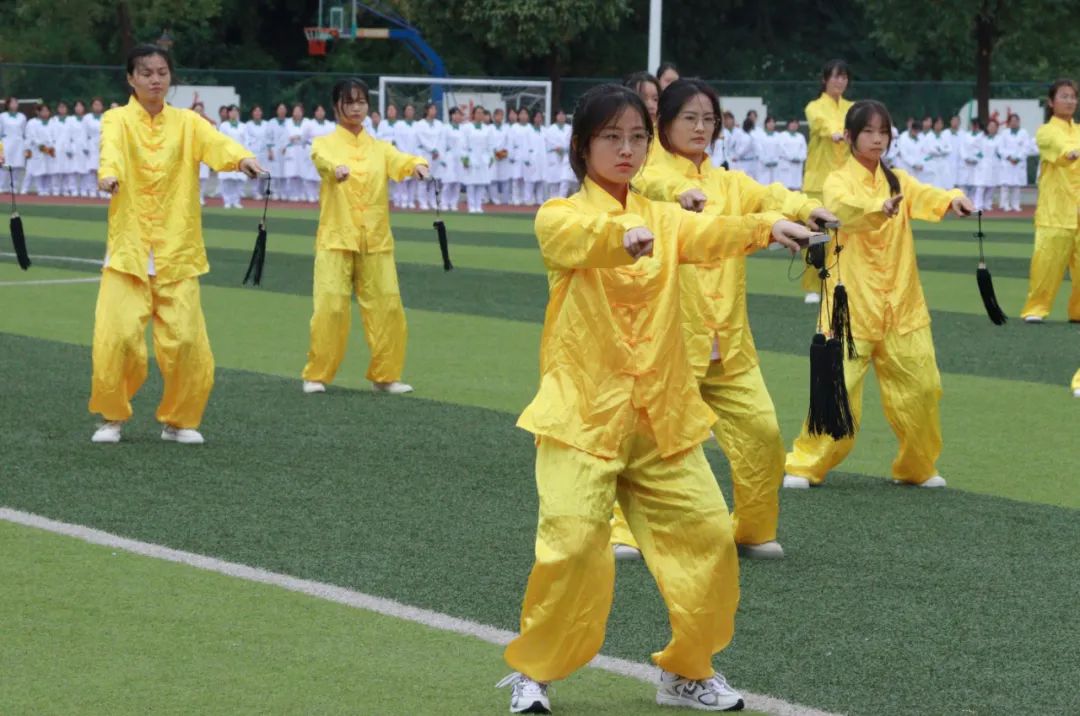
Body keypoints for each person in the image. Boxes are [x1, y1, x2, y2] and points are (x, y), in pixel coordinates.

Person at [496, 82, 810, 716]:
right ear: (583, 147)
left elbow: (712, 233)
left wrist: (769, 225)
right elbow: (581, 242)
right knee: (574, 544)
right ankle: (535, 674)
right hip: (584, 415)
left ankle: (687, 672)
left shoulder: (665, 218)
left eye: (638, 137)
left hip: (661, 416)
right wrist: (622, 241)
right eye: (611, 137)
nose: (627, 148)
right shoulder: (559, 215)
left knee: (710, 540)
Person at [613, 78, 838, 561]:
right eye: (689, 118)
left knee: (763, 435)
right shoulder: (645, 179)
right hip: (669, 339)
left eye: (709, 119)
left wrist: (808, 208)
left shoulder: (729, 183)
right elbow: (652, 181)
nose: (700, 128)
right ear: (663, 124)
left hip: (729, 341)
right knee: (648, 437)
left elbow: (769, 194)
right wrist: (680, 193)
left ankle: (753, 531)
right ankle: (622, 529)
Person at [782, 100, 975, 490]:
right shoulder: (837, 180)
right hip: (850, 306)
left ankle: (916, 467)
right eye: (868, 132)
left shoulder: (898, 180)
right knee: (837, 387)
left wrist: (952, 199)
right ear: (850, 137)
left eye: (883, 132)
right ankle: (805, 465)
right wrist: (878, 207)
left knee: (923, 387)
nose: (876, 139)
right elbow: (843, 211)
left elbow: (925, 195)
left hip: (903, 306)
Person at [89, 44, 264, 445]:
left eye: (162, 72)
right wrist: (109, 175)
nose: (155, 79)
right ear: (130, 78)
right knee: (116, 339)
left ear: (171, 78)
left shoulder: (189, 123)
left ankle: (179, 421)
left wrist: (242, 160)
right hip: (129, 250)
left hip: (178, 248)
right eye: (146, 72)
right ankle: (112, 417)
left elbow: (218, 145)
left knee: (187, 342)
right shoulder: (116, 119)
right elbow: (111, 151)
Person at [301, 78, 428, 397]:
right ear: (336, 106)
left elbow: (401, 160)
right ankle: (317, 374)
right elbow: (322, 162)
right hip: (336, 237)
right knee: (329, 307)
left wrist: (418, 166)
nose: (356, 108)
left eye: (361, 102)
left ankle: (386, 376)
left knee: (388, 306)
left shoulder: (380, 148)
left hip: (375, 239)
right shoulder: (324, 143)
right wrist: (336, 169)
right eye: (349, 101)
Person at [1020, 79, 1080, 323]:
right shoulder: (1046, 131)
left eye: (1073, 97)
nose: (1070, 101)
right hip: (1055, 212)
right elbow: (1062, 149)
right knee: (1047, 264)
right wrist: (1071, 152)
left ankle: (1077, 312)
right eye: (1064, 96)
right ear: (1051, 102)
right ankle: (1036, 309)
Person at [802, 59, 854, 303]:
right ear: (825, 80)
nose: (840, 81)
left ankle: (837, 282)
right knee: (815, 233)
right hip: (818, 181)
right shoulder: (814, 106)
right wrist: (835, 132)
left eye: (844, 77)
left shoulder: (852, 107)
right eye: (835, 76)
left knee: (842, 234)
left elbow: (859, 125)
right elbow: (821, 124)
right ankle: (812, 287)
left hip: (844, 182)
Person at [463, 105, 494, 213]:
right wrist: (465, 159)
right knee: (471, 183)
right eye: (478, 112)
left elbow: (490, 144)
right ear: (473, 114)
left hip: (483, 158)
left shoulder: (487, 129)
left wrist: (491, 157)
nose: (480, 115)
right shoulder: (467, 127)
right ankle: (471, 206)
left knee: (481, 183)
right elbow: (464, 144)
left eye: (482, 113)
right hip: (471, 157)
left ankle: (478, 205)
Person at [414, 102, 445, 210]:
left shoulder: (440, 124)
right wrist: (432, 149)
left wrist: (437, 151)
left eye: (435, 109)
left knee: (434, 180)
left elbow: (441, 139)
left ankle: (433, 201)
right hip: (425, 154)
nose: (434, 111)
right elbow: (422, 139)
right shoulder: (420, 124)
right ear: (427, 110)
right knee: (423, 179)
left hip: (436, 156)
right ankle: (423, 202)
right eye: (432, 109)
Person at [302, 104, 335, 202]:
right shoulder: (309, 124)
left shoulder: (330, 125)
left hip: (325, 152)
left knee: (321, 173)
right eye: (318, 111)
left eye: (322, 111)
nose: (320, 113)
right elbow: (304, 137)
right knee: (309, 172)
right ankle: (309, 194)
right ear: (315, 113)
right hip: (312, 150)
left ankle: (319, 194)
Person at [997, 113, 1030, 212]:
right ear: (1009, 122)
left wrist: (1018, 158)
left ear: (1019, 122)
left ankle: (1015, 204)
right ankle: (1005, 204)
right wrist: (1009, 157)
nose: (1014, 123)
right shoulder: (1004, 133)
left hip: (1018, 162)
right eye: (1012, 121)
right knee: (1006, 185)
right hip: (1007, 162)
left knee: (1016, 185)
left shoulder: (1024, 133)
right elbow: (1000, 148)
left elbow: (1026, 147)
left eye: (1016, 121)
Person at [218, 105, 247, 209]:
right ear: (228, 113)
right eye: (232, 111)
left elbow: (247, 141)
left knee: (238, 179)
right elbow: (221, 140)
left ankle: (236, 201)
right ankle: (227, 201)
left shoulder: (243, 126)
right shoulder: (224, 126)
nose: (234, 113)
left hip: (240, 156)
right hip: (228, 155)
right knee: (227, 179)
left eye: (236, 111)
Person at [21, 103, 53, 196]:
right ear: (37, 112)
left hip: (48, 150)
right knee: (32, 170)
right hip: (35, 149)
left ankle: (45, 189)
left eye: (47, 111)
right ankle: (28, 189)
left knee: (47, 170)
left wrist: (50, 147)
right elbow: (32, 136)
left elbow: (52, 136)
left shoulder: (51, 122)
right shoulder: (32, 122)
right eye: (43, 111)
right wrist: (41, 146)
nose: (45, 113)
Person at [243, 104, 274, 199]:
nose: (257, 113)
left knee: (264, 172)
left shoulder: (266, 124)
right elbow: (246, 139)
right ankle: (255, 192)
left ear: (261, 113)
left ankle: (262, 190)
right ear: (252, 113)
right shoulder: (248, 125)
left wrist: (270, 151)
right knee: (254, 172)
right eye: (255, 111)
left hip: (264, 152)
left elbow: (269, 138)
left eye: (259, 111)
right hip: (253, 152)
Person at [282, 103, 308, 202]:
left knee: (302, 173)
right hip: (291, 149)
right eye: (295, 111)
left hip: (302, 149)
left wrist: (299, 137)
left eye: (299, 111)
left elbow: (308, 136)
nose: (297, 113)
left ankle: (302, 193)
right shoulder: (288, 123)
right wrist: (285, 145)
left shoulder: (307, 123)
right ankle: (292, 194)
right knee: (292, 174)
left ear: (302, 112)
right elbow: (285, 136)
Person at [543, 109, 571, 200]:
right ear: (556, 116)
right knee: (554, 185)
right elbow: (549, 143)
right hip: (554, 157)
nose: (561, 116)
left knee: (564, 184)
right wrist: (557, 148)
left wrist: (565, 149)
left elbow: (572, 142)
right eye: (559, 114)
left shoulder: (569, 128)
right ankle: (552, 204)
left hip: (566, 157)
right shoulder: (550, 129)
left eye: (563, 114)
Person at [1, 97, 27, 195]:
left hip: (19, 143)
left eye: (16, 102)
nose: (14, 104)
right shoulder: (2, 116)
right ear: (7, 104)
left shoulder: (22, 117)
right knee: (5, 166)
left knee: (17, 166)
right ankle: (2, 186)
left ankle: (14, 187)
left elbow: (24, 131)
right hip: (6, 142)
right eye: (12, 103)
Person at [489, 107, 512, 205]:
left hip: (504, 156)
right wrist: (495, 152)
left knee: (505, 179)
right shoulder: (489, 128)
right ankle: (494, 199)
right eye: (497, 115)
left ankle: (505, 199)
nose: (499, 117)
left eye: (501, 115)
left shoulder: (506, 128)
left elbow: (509, 141)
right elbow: (488, 142)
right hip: (493, 156)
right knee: (493, 179)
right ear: (494, 117)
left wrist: (504, 152)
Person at [83, 98, 106, 198]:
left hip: (103, 144)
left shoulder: (106, 116)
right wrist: (85, 146)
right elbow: (83, 133)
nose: (97, 106)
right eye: (95, 104)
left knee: (102, 170)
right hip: (91, 145)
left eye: (99, 105)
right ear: (92, 106)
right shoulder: (87, 118)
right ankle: (92, 189)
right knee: (92, 170)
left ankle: (102, 190)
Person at [779, 117, 807, 190]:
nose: (794, 125)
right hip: (786, 164)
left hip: (797, 165)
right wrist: (791, 157)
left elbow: (804, 149)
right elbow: (782, 149)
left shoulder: (801, 136)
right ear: (788, 124)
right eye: (792, 123)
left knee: (796, 187)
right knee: (786, 186)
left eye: (796, 123)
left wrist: (800, 158)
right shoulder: (783, 135)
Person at [268, 102, 289, 198]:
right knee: (274, 173)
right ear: (277, 111)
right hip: (274, 150)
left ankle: (284, 192)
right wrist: (270, 150)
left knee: (285, 172)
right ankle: (275, 192)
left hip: (286, 150)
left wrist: (287, 146)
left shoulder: (289, 122)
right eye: (280, 109)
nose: (282, 111)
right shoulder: (272, 122)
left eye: (283, 109)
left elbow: (290, 136)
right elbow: (268, 137)